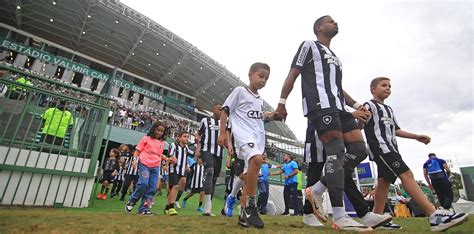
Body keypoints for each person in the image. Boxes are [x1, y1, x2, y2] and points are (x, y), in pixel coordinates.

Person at [275, 15, 378, 231]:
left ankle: (318, 189)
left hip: (339, 107)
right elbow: (293, 74)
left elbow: (337, 87)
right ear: (318, 27)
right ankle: (340, 216)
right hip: (320, 106)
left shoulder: (335, 57)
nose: (336, 23)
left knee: (360, 149)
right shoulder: (309, 45)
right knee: (336, 152)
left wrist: (357, 104)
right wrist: (281, 103)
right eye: (330, 21)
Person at [362, 77, 468, 231]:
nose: (388, 88)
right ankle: (434, 215)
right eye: (384, 85)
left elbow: (396, 130)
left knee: (384, 182)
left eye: (390, 86)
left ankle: (377, 219)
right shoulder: (368, 105)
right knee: (407, 175)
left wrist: (416, 136)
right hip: (380, 148)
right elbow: (360, 122)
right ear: (373, 89)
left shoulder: (389, 110)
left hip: (392, 148)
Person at [218, 62, 277, 228]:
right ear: (250, 74)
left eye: (266, 78)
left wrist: (273, 115)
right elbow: (225, 110)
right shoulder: (240, 91)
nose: (263, 80)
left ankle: (244, 213)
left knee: (247, 177)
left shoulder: (259, 100)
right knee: (257, 160)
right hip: (243, 136)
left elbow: (259, 116)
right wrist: (222, 133)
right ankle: (251, 205)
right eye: (261, 76)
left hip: (257, 138)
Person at [125, 122, 176, 215]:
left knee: (153, 188)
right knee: (143, 183)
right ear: (154, 129)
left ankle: (143, 209)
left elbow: (158, 154)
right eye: (158, 130)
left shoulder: (162, 142)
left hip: (156, 166)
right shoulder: (146, 139)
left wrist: (167, 158)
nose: (160, 133)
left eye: (162, 131)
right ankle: (132, 200)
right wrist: (135, 160)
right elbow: (137, 151)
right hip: (144, 164)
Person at [195, 104, 224, 216]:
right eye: (219, 109)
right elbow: (199, 134)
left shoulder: (224, 123)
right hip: (207, 151)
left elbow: (226, 137)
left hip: (219, 154)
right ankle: (207, 205)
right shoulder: (205, 120)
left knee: (214, 179)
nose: (220, 111)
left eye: (222, 110)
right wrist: (198, 149)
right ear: (213, 109)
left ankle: (208, 206)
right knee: (209, 172)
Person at [165, 131, 193, 215]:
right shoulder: (173, 145)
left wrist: (199, 143)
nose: (186, 138)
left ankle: (167, 207)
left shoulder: (186, 148)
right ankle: (171, 207)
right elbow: (169, 156)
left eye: (188, 137)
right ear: (179, 137)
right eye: (184, 136)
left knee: (174, 188)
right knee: (176, 186)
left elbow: (195, 154)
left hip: (181, 170)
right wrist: (167, 164)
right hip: (173, 169)